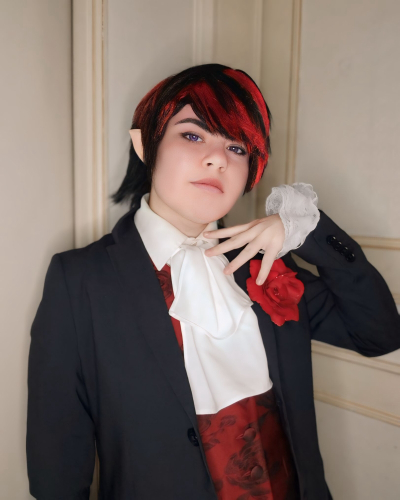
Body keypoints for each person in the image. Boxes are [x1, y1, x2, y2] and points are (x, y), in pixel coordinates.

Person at [26, 64, 400, 500]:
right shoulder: (79, 281)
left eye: (236, 146)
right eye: (192, 135)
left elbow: (379, 334)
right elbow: (56, 471)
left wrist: (307, 232)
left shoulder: (264, 263)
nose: (218, 158)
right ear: (145, 144)